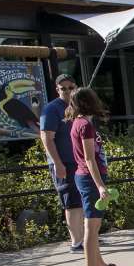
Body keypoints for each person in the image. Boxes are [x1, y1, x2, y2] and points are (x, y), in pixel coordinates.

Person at [67, 88, 125, 266]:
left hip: (86, 178)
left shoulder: (81, 122)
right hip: (90, 180)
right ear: (90, 102)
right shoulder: (85, 125)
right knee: (91, 228)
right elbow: (89, 159)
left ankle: (99, 265)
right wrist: (100, 186)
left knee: (94, 226)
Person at [39, 74, 84, 253]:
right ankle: (76, 242)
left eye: (70, 88)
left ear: (75, 87)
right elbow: (47, 138)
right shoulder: (51, 109)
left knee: (83, 200)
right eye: (62, 88)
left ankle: (86, 237)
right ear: (57, 90)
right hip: (64, 162)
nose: (67, 91)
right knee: (71, 201)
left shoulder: (78, 107)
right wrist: (57, 163)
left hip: (80, 161)